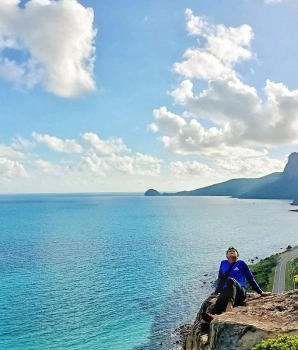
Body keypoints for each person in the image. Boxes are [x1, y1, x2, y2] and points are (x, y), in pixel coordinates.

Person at [202, 246, 271, 322]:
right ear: (226, 256)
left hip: (240, 293)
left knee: (230, 281)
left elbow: (250, 279)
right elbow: (221, 279)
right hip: (228, 293)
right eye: (229, 251)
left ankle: (229, 308)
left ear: (237, 256)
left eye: (234, 251)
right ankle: (214, 315)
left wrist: (261, 292)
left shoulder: (241, 263)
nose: (232, 251)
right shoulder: (223, 263)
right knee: (222, 296)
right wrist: (216, 291)